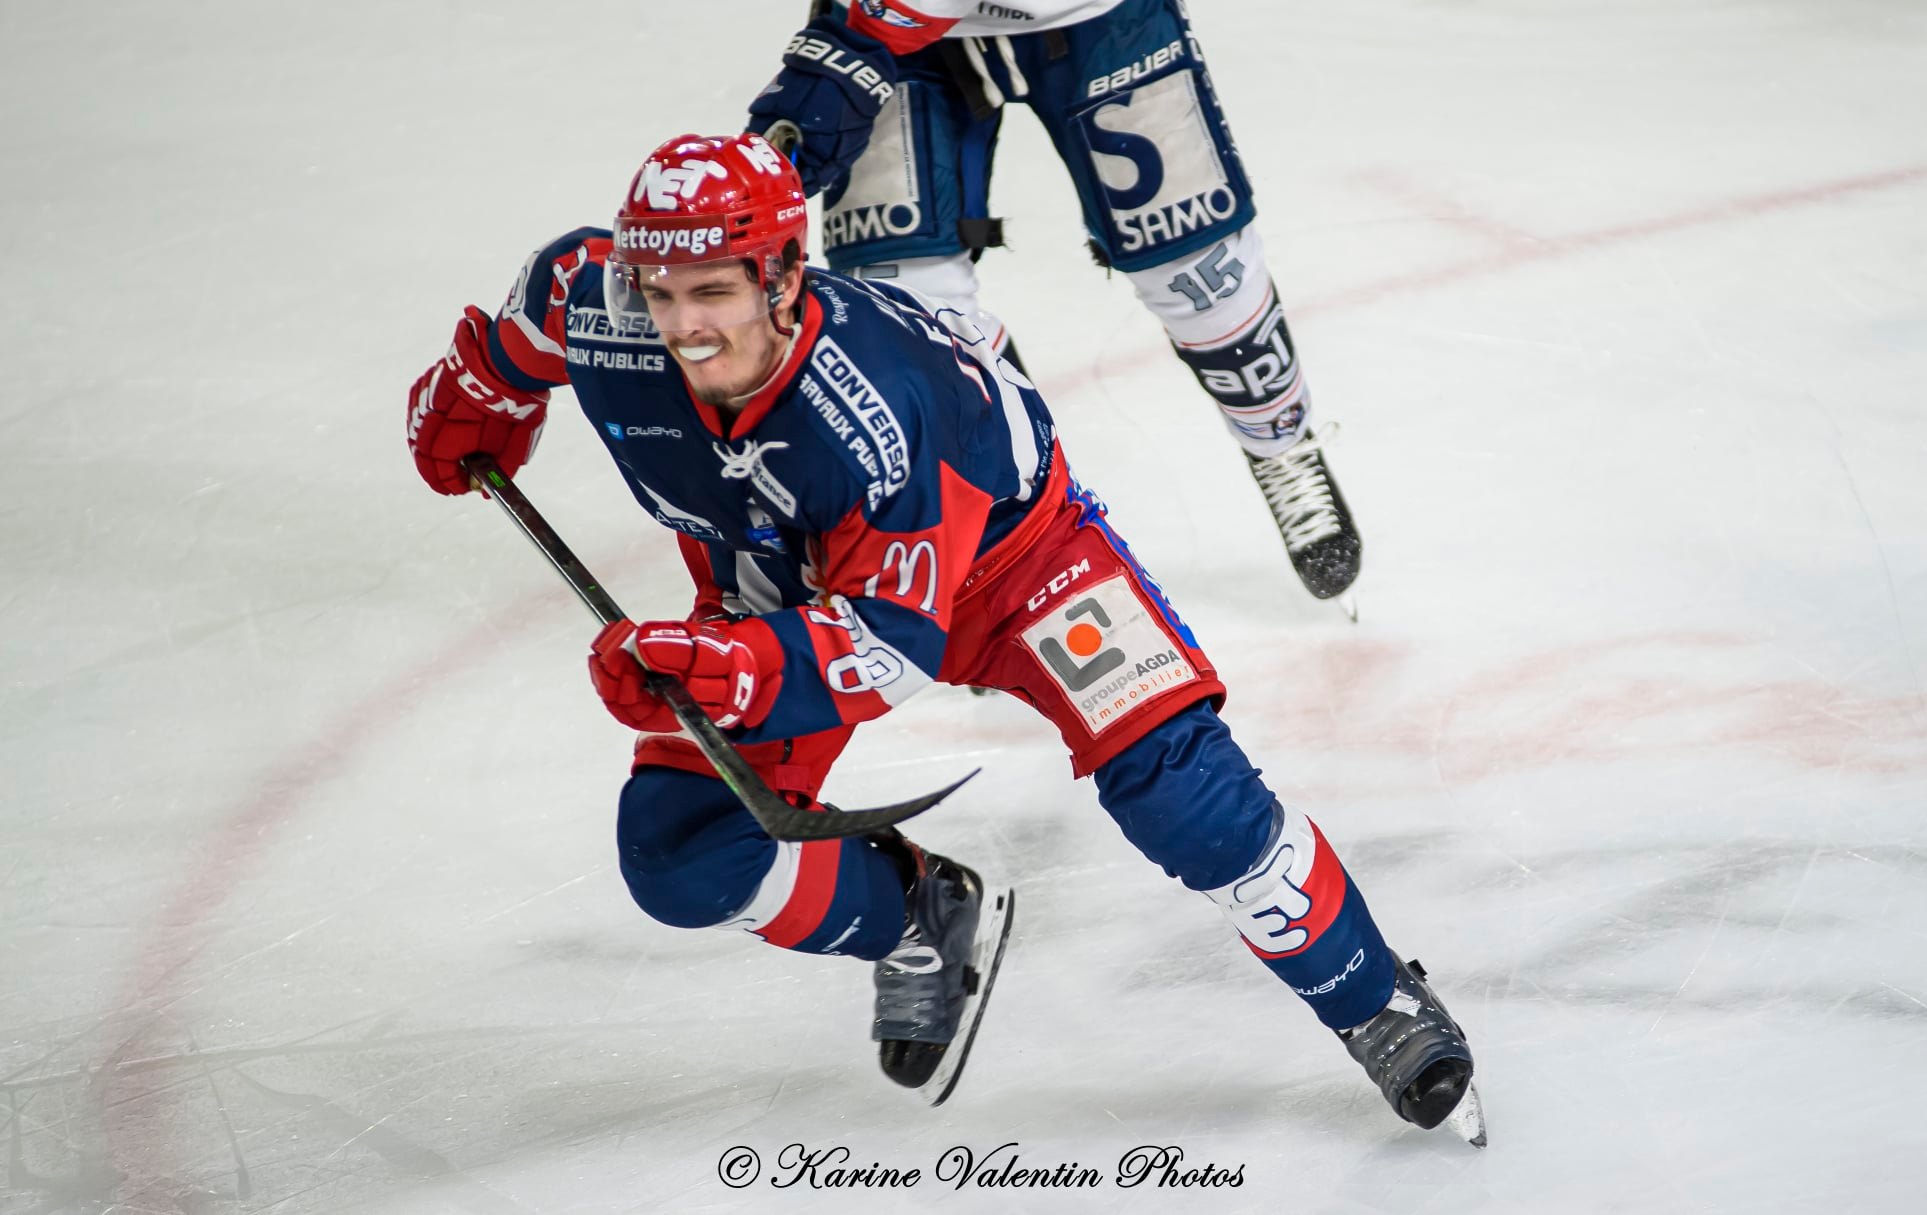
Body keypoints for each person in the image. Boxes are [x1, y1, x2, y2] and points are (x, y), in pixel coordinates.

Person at [404, 133, 1481, 1135]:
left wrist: (729, 671)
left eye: (715, 293)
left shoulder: (878, 397)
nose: (683, 326)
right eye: (663, 292)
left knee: (1178, 787)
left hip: (1018, 566)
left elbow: (885, 650)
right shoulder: (591, 297)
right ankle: (919, 909)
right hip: (776, 583)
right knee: (680, 854)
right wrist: (477, 393)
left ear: (782, 276)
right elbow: (523, 331)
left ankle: (1368, 992)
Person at [744, 0, 1363, 605]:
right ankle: (1007, 509)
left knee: (1199, 272)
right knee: (905, 302)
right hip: (896, 33)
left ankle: (1279, 440)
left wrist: (859, 38)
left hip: (1092, 16)